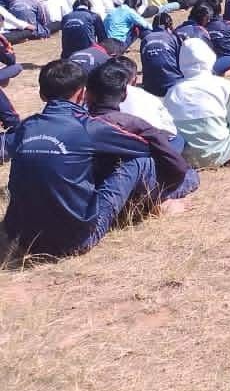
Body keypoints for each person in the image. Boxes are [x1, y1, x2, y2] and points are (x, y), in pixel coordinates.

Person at [1, 60, 198, 257]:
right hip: (76, 240)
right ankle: (171, 192)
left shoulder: (26, 128)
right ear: (82, 94)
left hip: (23, 239)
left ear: (42, 95)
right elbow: (144, 149)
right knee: (140, 163)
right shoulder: (90, 127)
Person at [85, 60, 194, 192]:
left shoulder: (78, 123)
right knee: (191, 176)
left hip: (91, 187)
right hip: (132, 189)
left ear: (86, 95)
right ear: (124, 94)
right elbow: (178, 166)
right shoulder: (136, 124)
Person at [165, 38, 230, 168]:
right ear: (209, 56)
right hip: (223, 154)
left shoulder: (172, 92)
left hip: (188, 159)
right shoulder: (224, 85)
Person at [140, 13, 183, 97]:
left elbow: (145, 63)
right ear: (169, 25)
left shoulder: (145, 39)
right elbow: (180, 61)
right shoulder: (173, 37)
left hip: (150, 87)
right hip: (173, 84)